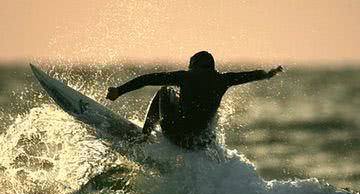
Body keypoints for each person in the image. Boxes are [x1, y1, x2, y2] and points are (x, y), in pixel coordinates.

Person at [106, 51, 283, 149]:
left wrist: (119, 91)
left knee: (164, 91)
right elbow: (248, 76)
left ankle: (143, 137)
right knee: (211, 118)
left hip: (176, 133)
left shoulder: (186, 77)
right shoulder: (224, 80)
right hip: (198, 142)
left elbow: (147, 79)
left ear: (194, 65)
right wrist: (268, 74)